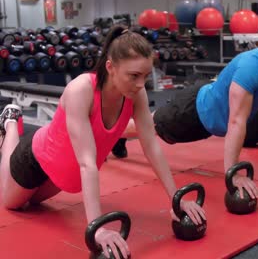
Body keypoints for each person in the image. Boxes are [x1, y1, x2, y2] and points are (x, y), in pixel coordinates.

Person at [0, 25, 205, 259]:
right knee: (13, 205)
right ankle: (10, 123)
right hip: (34, 160)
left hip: (63, 177)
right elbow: (87, 163)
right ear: (111, 67)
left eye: (145, 76)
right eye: (134, 76)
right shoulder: (81, 90)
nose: (141, 84)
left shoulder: (135, 94)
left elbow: (151, 146)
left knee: (33, 206)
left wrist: (176, 200)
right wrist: (98, 228)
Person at [113, 33, 258, 199]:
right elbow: (236, 121)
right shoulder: (254, 67)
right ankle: (110, 133)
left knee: (147, 127)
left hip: (210, 118)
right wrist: (233, 174)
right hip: (193, 112)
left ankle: (115, 134)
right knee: (146, 128)